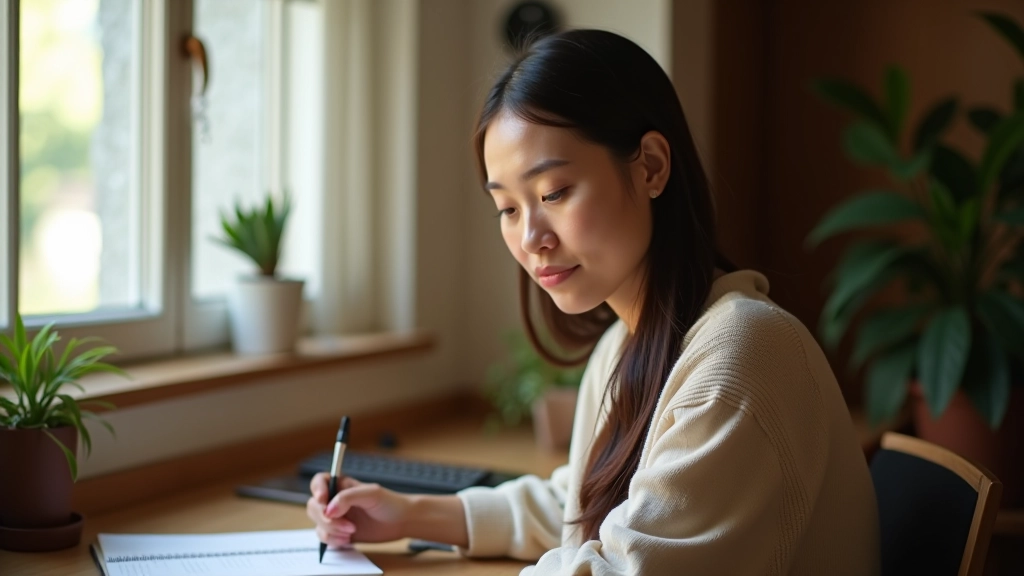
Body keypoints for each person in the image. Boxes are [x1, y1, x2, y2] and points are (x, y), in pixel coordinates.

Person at [307, 29, 880, 575]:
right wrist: (413, 514)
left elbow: (627, 563)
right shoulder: (624, 345)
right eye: (508, 208)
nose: (531, 237)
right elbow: (586, 504)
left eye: (553, 192)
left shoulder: (742, 355)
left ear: (651, 166)